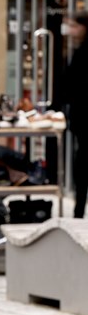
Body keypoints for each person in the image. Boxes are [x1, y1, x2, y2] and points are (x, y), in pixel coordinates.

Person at [66, 12, 88, 218]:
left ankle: (79, 207)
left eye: (75, 26)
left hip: (83, 117)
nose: (71, 31)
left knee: (82, 164)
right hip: (82, 117)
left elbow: (71, 84)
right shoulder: (79, 51)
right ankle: (79, 206)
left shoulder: (82, 53)